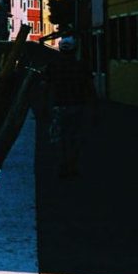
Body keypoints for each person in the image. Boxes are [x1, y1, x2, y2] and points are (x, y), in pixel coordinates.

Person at [43, 37, 95, 175]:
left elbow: (47, 87)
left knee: (59, 137)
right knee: (75, 135)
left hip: (58, 106)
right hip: (78, 105)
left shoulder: (53, 65)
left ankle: (62, 164)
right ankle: (72, 165)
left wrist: (44, 107)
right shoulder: (82, 66)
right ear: (75, 49)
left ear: (60, 49)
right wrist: (94, 108)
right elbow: (89, 87)